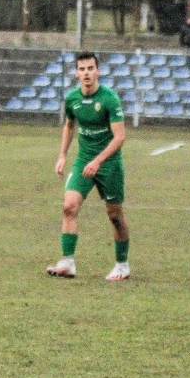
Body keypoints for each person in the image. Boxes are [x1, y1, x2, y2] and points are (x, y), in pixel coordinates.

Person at [47, 51, 130, 281]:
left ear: (98, 71)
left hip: (109, 163)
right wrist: (62, 155)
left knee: (114, 214)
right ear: (76, 73)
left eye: (90, 68)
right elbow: (69, 125)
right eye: (82, 69)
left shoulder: (109, 99)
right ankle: (68, 263)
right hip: (84, 160)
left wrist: (99, 160)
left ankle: (122, 265)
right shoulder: (72, 99)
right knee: (69, 206)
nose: (86, 73)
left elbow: (120, 137)